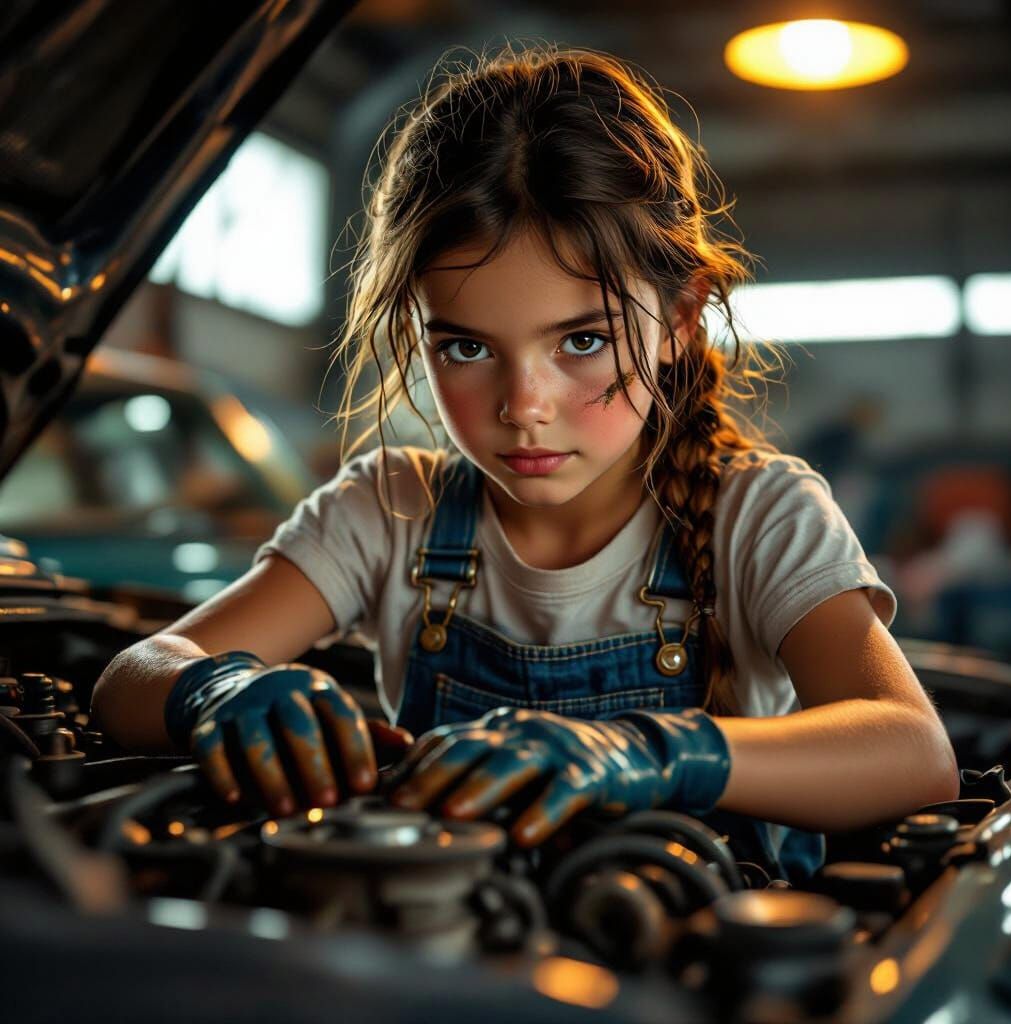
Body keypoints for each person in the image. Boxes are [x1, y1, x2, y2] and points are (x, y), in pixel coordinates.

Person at [92, 44, 959, 883]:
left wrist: (652, 752)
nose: (523, 405)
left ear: (684, 316)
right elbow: (133, 678)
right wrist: (214, 688)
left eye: (581, 340)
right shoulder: (389, 511)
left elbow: (911, 750)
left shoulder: (758, 517)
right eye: (467, 348)